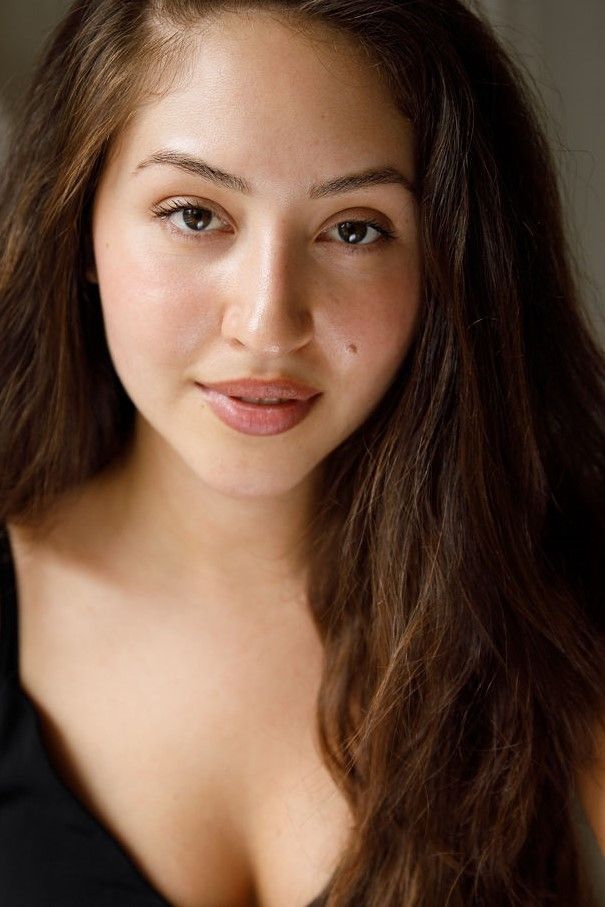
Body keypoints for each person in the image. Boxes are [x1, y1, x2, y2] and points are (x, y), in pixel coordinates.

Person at [0, 0, 603, 904]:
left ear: (449, 263)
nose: (267, 323)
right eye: (194, 214)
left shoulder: (557, 596)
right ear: (80, 221)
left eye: (354, 228)